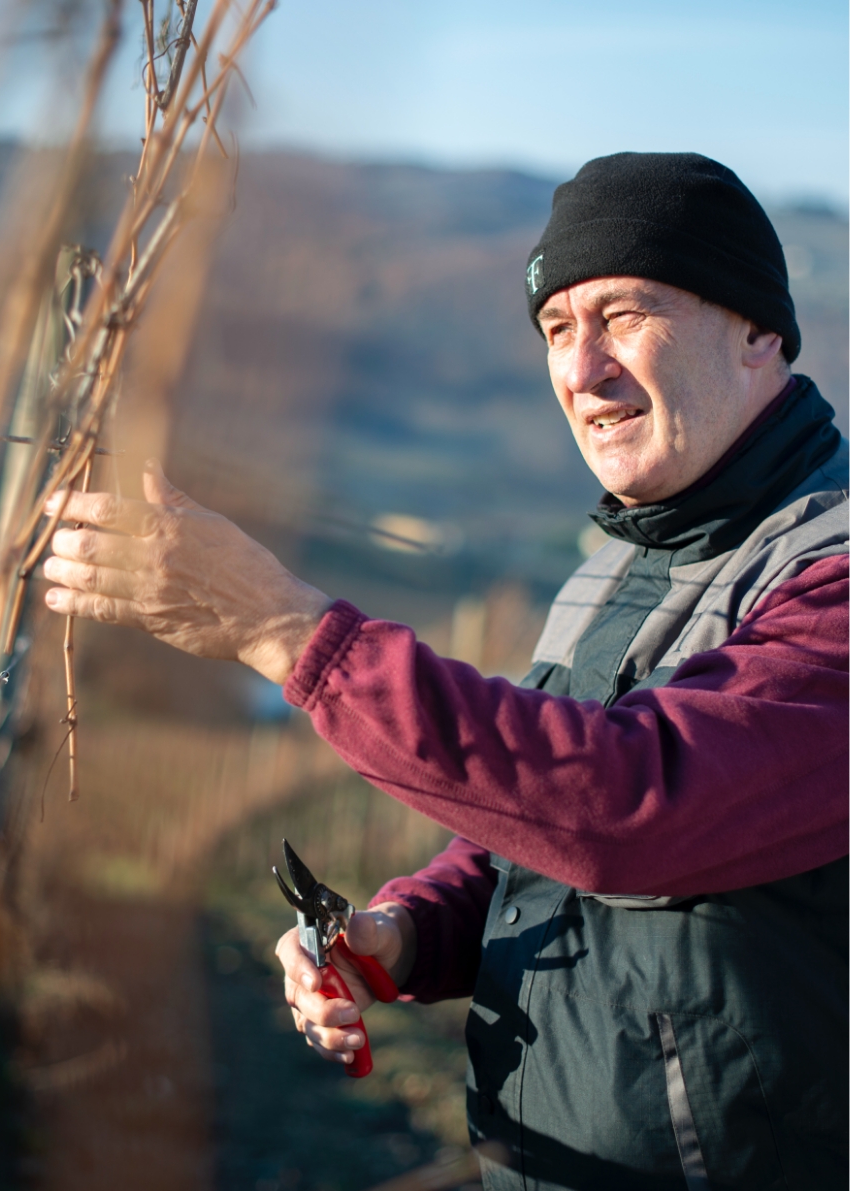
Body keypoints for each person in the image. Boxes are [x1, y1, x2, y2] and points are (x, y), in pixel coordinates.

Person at [42, 153, 848, 1189]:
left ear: (757, 334)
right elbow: (539, 829)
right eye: (556, 329)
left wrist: (287, 632)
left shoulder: (825, 579)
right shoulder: (616, 570)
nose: (581, 367)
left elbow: (631, 808)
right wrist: (404, 932)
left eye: (624, 314)